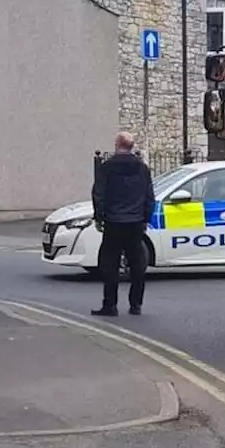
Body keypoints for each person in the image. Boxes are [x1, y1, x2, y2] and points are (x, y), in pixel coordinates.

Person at [90, 131, 155, 316]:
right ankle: (136, 305)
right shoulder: (142, 168)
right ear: (132, 146)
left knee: (109, 264)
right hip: (135, 222)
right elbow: (149, 197)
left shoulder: (107, 167)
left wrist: (99, 217)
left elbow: (99, 195)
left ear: (117, 144)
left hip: (113, 221)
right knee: (137, 265)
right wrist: (145, 218)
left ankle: (110, 305)